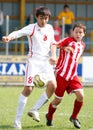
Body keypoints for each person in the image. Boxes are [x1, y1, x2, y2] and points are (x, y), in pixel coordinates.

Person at [2, 6, 57, 130]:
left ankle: (35, 109)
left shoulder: (50, 28)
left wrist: (53, 55)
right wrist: (9, 37)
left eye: (46, 18)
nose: (44, 21)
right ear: (37, 17)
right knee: (28, 89)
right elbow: (18, 32)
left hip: (46, 62)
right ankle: (17, 121)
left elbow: (53, 43)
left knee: (53, 86)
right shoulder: (32, 28)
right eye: (41, 18)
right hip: (33, 62)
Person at [46, 23, 86, 129]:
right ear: (72, 32)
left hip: (73, 76)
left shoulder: (83, 45)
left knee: (81, 96)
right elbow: (54, 44)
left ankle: (74, 117)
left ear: (84, 34)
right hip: (61, 75)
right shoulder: (67, 40)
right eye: (76, 32)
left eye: (80, 32)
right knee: (57, 100)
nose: (78, 34)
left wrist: (63, 48)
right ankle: (49, 116)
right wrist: (62, 49)